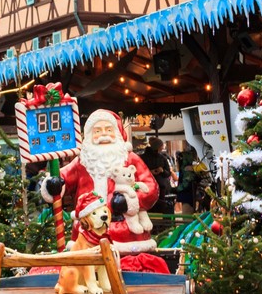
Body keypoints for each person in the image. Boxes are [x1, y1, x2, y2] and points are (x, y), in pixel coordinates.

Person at [41, 109, 160, 254]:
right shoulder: (82, 162)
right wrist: (53, 184)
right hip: (87, 233)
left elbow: (151, 188)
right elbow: (63, 177)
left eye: (109, 130)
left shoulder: (130, 159)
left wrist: (129, 201)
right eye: (97, 131)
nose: (104, 134)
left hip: (126, 234)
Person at [140, 137, 173, 207]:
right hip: (154, 185)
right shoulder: (144, 158)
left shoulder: (162, 158)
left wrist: (162, 171)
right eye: (161, 146)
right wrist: (150, 172)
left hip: (152, 186)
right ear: (157, 147)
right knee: (158, 206)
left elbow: (168, 173)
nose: (162, 148)